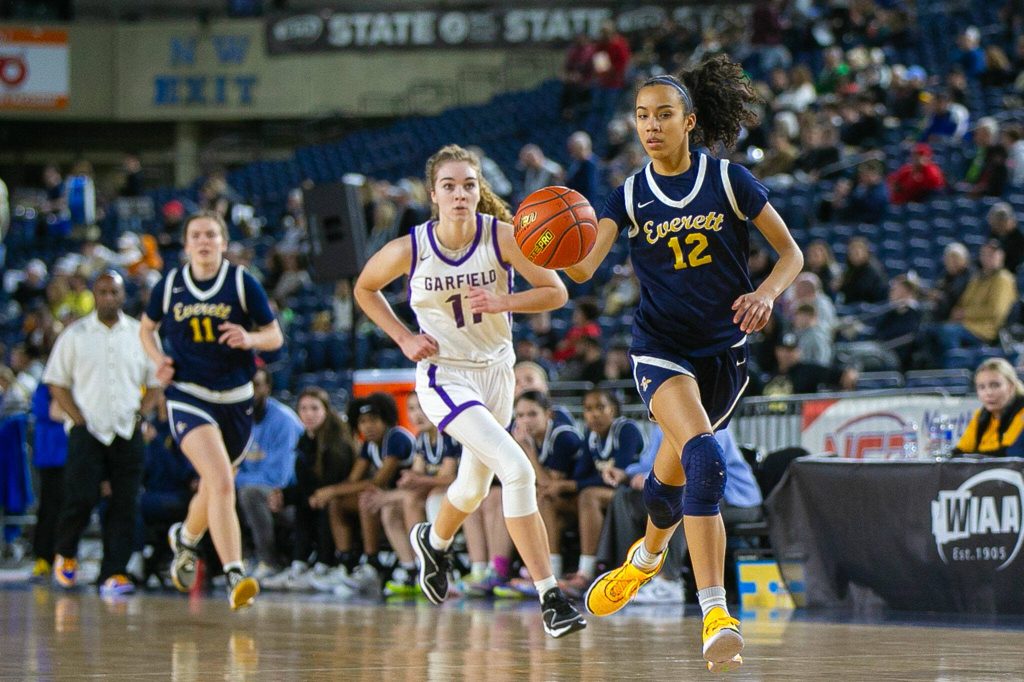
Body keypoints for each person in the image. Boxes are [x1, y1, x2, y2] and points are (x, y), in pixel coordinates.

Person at [565, 56, 803, 671]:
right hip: (661, 347)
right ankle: (716, 611)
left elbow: (791, 255)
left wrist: (765, 293)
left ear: (689, 121)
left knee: (665, 486)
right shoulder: (629, 194)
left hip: (724, 355)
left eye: (663, 114)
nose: (650, 125)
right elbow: (585, 268)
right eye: (641, 116)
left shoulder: (728, 181)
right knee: (703, 456)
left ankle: (645, 560)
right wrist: (538, 241)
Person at [353, 143, 586, 637]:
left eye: (469, 185)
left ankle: (433, 544)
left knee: (475, 486)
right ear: (433, 194)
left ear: (480, 192)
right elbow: (364, 288)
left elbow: (557, 291)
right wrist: (403, 337)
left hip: (497, 370)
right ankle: (551, 597)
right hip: (445, 374)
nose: (460, 194)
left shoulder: (501, 237)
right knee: (518, 470)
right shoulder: (411, 247)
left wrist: (504, 299)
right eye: (450, 186)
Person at [139, 211, 284, 609]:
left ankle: (186, 538)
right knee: (221, 481)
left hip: (235, 400)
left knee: (211, 484)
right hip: (188, 396)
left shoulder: (242, 283)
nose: (204, 241)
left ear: (223, 242)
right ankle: (236, 572)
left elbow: (274, 336)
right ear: (186, 245)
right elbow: (145, 328)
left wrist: (249, 336)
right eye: (196, 235)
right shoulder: (169, 286)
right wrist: (157, 360)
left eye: (211, 235)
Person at [42, 272, 162, 596]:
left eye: (115, 292)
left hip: (127, 430)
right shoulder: (74, 334)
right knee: (79, 498)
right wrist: (77, 418)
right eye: (103, 291)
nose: (109, 297)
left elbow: (156, 381)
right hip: (87, 430)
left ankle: (114, 572)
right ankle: (66, 554)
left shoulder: (140, 333)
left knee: (126, 504)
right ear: (94, 295)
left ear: (124, 296)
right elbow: (56, 381)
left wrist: (141, 413)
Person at [263, 387, 355, 591]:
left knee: (320, 503)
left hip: (340, 498)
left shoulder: (337, 442)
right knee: (302, 504)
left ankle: (324, 564)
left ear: (326, 410)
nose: (308, 414)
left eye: (314, 408)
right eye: (303, 409)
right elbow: (307, 485)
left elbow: (331, 483)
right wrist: (283, 495)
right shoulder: (305, 440)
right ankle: (299, 564)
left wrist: (299, 495)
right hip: (314, 499)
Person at [561, 387, 645, 596]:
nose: (594, 414)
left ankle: (587, 572)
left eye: (600, 407)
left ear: (614, 410)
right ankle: (549, 572)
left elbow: (618, 477)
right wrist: (569, 485)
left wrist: (572, 485)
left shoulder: (627, 430)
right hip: (609, 495)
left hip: (635, 494)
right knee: (550, 499)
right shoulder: (591, 436)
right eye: (588, 409)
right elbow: (581, 475)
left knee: (588, 495)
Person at [382, 392, 460, 596]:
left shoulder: (449, 434)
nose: (417, 414)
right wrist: (409, 480)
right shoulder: (421, 438)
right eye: (411, 409)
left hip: (456, 495)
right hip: (432, 492)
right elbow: (416, 475)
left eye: (422, 407)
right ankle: (412, 568)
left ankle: (441, 569)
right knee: (390, 509)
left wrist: (415, 480)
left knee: (423, 499)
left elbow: (449, 478)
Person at [234, 368, 303, 580]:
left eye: (256, 385)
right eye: (246, 386)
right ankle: (239, 562)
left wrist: (233, 478)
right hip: (254, 489)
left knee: (249, 493)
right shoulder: (240, 419)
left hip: (289, 497)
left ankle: (269, 561)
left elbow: (278, 478)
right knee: (217, 492)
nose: (251, 391)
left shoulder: (283, 421)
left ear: (267, 388)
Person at [954, 358, 1024, 456]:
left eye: (995, 385)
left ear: (1011, 386)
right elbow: (960, 451)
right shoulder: (981, 415)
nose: (988, 393)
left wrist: (974, 457)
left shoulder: (1022, 412)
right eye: (981, 387)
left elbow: (1008, 455)